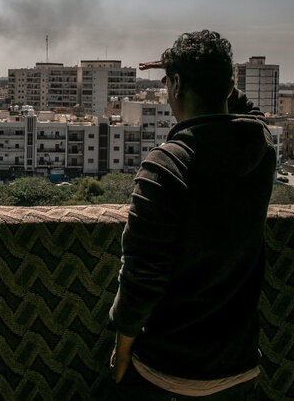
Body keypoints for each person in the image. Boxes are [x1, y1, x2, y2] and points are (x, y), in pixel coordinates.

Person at [109, 31, 276, 399]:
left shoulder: (166, 165)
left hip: (170, 371)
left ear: (178, 83)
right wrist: (211, 74)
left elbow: (142, 277)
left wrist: (122, 349)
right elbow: (252, 114)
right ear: (231, 87)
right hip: (239, 367)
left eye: (169, 81)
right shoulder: (261, 150)